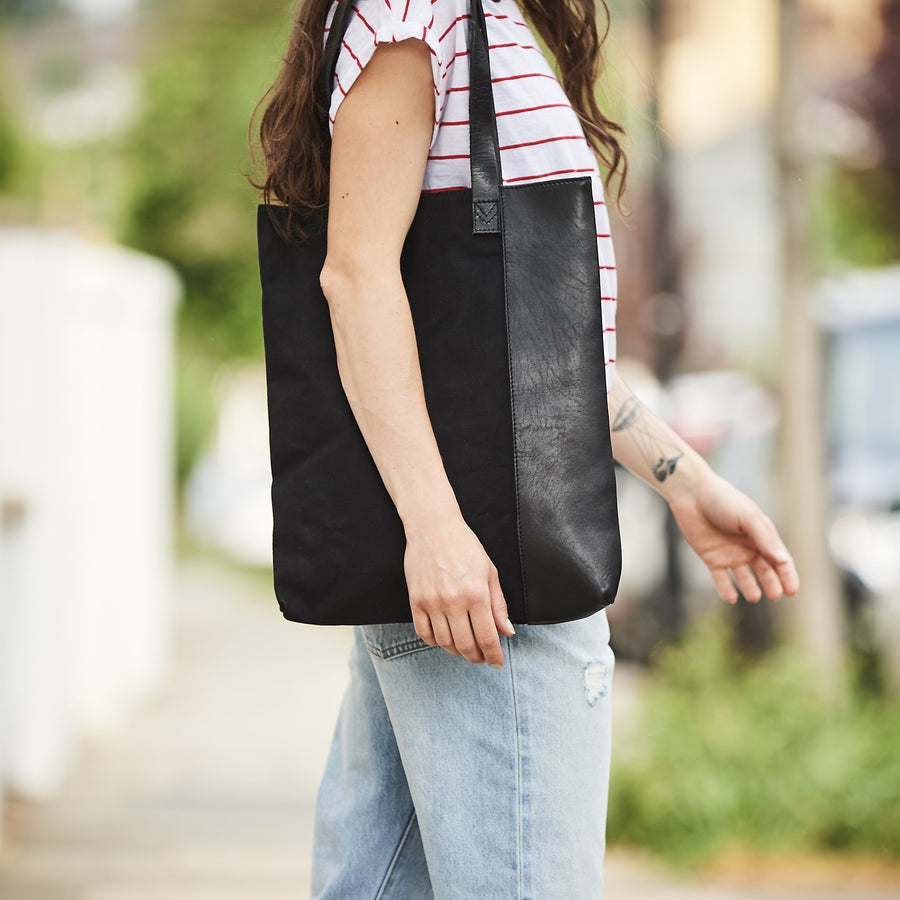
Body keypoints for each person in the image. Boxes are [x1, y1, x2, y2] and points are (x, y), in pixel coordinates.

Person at [255, 1, 800, 896]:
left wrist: (683, 479)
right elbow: (355, 277)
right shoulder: (418, 13)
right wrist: (436, 529)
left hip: (469, 576)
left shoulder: (478, 18)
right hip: (493, 587)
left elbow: (533, 350)